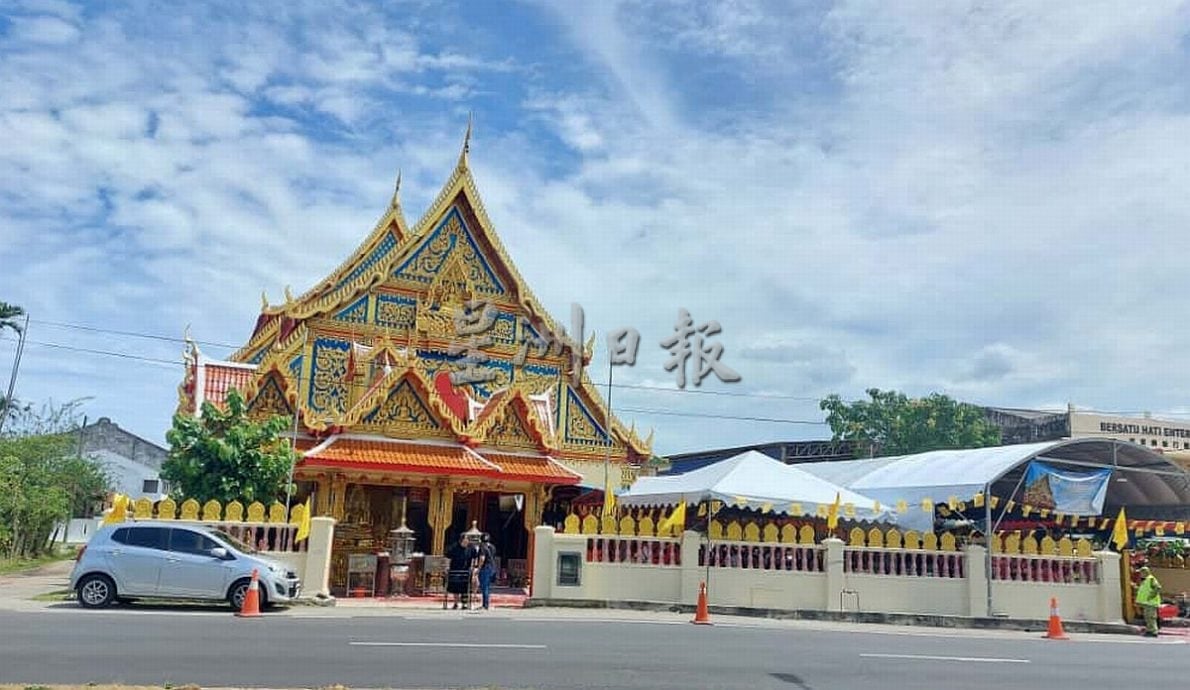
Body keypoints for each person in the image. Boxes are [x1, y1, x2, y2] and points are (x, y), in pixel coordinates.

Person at [446, 533, 477, 610]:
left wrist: (474, 568)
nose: (466, 543)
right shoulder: (454, 547)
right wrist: (446, 567)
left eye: (467, 541)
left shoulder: (471, 548)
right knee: (455, 587)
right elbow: (447, 557)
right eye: (464, 541)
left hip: (466, 570)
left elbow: (474, 558)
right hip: (455, 570)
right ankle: (456, 603)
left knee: (465, 587)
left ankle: (465, 604)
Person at [1136, 565, 1163, 637]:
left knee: (1151, 617)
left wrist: (1151, 596)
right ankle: (1149, 630)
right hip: (1147, 603)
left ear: (1145, 572)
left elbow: (1158, 587)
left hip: (1151, 603)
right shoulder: (1146, 580)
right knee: (1147, 617)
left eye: (1141, 572)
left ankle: (1153, 631)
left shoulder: (1151, 579)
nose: (1140, 574)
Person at [477, 533, 497, 610]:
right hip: (492, 567)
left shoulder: (482, 547)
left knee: (484, 586)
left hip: (485, 567)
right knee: (487, 587)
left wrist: (478, 568)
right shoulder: (492, 547)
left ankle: (485, 605)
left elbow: (482, 558)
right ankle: (486, 604)